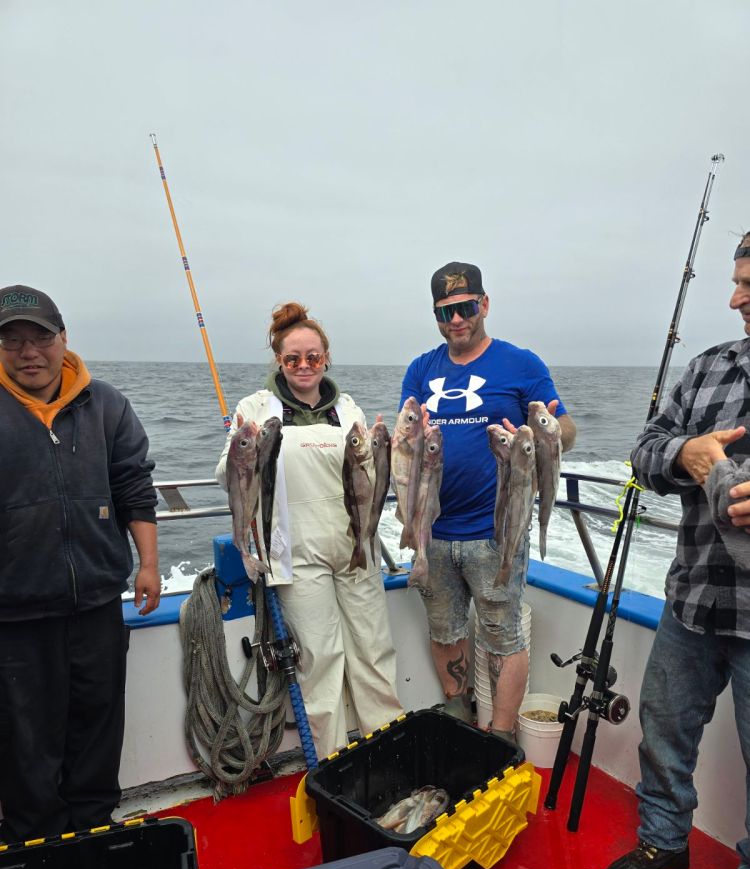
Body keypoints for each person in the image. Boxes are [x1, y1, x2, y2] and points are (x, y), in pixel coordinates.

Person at [602, 233, 750, 869]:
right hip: (692, 599)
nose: (734, 298)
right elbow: (643, 450)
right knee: (663, 730)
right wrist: (683, 452)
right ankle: (663, 840)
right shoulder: (708, 367)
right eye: (734, 280)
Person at [0, 284, 160, 843]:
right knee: (25, 748)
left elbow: (135, 487)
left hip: (96, 603)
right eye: (12, 341)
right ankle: (33, 847)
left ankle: (94, 835)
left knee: (98, 731)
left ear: (62, 338)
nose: (28, 353)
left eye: (39, 338)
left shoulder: (107, 404)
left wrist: (148, 565)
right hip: (14, 617)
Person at [216, 302, 403, 759]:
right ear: (279, 361)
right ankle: (333, 762)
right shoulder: (254, 409)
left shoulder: (348, 409)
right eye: (293, 358)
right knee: (319, 664)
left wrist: (399, 450)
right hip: (294, 554)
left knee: (374, 654)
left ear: (326, 359)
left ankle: (391, 751)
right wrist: (244, 446)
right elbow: (228, 475)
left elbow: (375, 478)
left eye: (313, 357)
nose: (303, 366)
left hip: (355, 544)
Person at [400, 262, 576, 740]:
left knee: (503, 639)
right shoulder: (421, 369)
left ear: (485, 304)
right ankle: (459, 712)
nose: (456, 319)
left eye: (465, 307)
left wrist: (549, 433)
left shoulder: (521, 365)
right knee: (445, 632)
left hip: (495, 534)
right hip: (432, 534)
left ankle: (499, 736)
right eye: (445, 311)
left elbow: (566, 429)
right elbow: (405, 439)